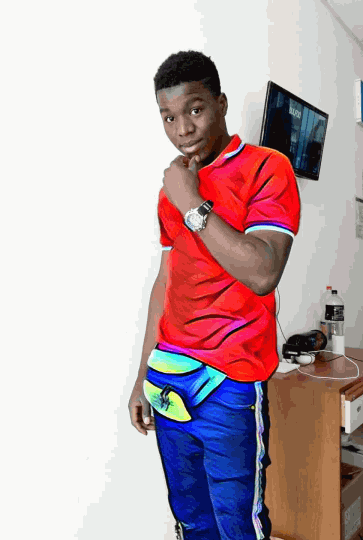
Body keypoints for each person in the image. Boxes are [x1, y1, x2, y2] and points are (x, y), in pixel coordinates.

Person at [128, 50, 301, 540]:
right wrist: (142, 374)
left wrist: (191, 202)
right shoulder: (172, 188)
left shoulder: (267, 167)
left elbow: (263, 272)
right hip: (169, 375)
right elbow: (167, 281)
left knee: (238, 526)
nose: (183, 129)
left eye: (195, 109)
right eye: (168, 117)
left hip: (230, 381)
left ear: (221, 104)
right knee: (191, 521)